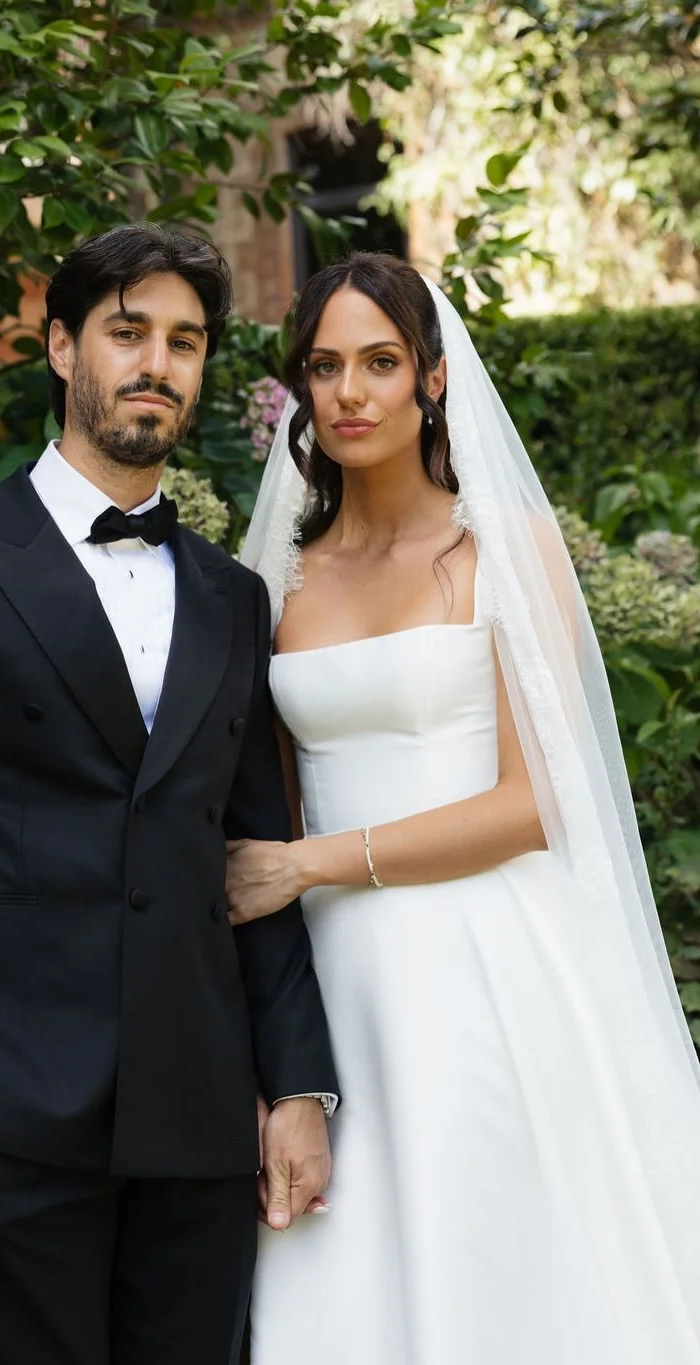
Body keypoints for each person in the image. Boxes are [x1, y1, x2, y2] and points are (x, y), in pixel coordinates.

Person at [0, 223, 339, 1365]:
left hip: (196, 1116)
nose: (157, 364)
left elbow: (253, 850)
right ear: (60, 347)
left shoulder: (234, 599)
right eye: (126, 332)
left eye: (184, 343)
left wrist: (297, 1083)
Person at [232, 252, 700, 1364]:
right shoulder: (277, 582)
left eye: (381, 363)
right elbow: (269, 798)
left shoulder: (501, 550)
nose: (350, 393)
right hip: (340, 990)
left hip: (490, 958)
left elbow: (538, 802)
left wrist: (310, 866)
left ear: (432, 380)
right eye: (326, 366)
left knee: (505, 1261)